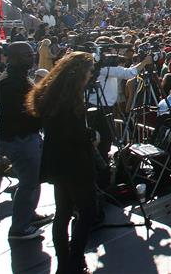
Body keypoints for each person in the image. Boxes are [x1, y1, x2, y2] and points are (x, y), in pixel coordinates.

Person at [26, 52, 98, 274]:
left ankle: (64, 263)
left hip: (56, 162)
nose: (90, 75)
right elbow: (74, 135)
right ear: (79, 73)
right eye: (89, 70)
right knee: (87, 212)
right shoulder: (70, 100)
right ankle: (75, 262)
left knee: (63, 213)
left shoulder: (51, 93)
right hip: (75, 163)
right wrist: (92, 135)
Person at [0, 41, 51, 240]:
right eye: (27, 55)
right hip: (20, 139)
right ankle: (19, 228)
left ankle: (30, 215)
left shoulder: (18, 77)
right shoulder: (11, 82)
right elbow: (15, 115)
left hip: (26, 137)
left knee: (33, 180)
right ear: (15, 57)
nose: (32, 57)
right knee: (28, 183)